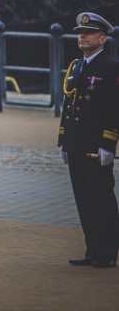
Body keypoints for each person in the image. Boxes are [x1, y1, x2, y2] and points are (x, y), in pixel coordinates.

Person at [59, 13, 119, 268]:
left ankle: (107, 252)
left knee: (102, 198)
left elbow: (113, 108)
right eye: (80, 33)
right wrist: (62, 139)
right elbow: (68, 105)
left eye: (89, 33)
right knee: (83, 199)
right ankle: (92, 248)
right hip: (75, 142)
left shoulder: (110, 66)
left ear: (102, 39)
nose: (82, 36)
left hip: (96, 145)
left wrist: (108, 144)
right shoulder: (76, 66)